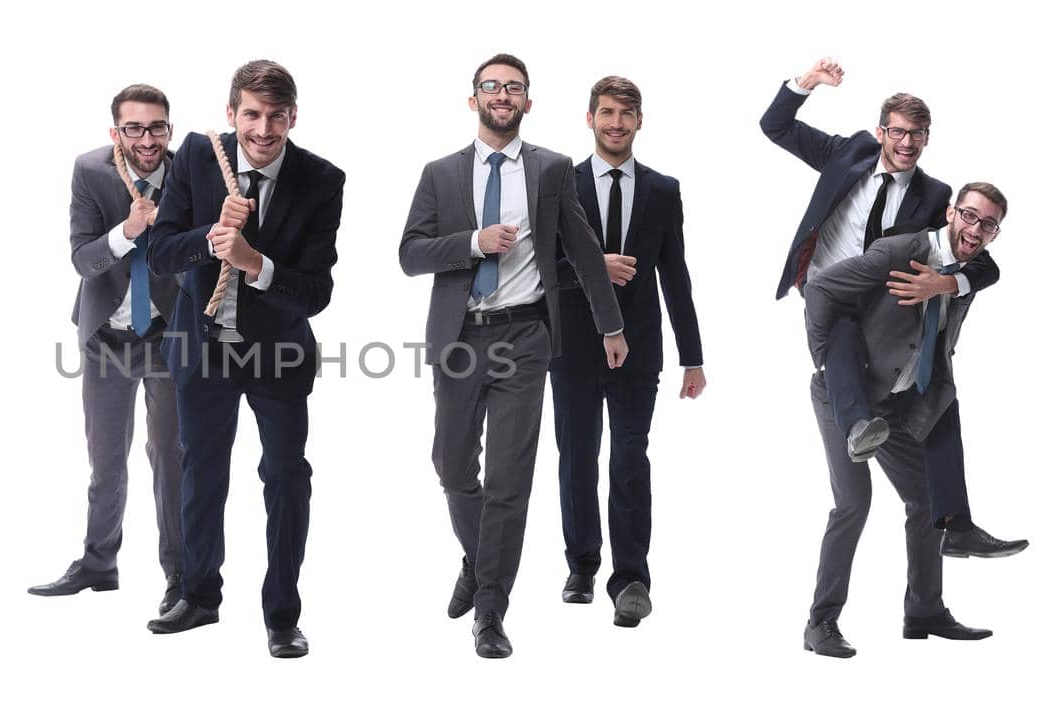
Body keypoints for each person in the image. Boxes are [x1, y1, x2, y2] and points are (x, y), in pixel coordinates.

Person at [399, 53, 626, 658]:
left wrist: (611, 327)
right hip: (458, 338)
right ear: (473, 99)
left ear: (528, 101)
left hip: (526, 336)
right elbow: (410, 254)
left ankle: (491, 610)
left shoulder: (552, 169)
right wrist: (473, 242)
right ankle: (479, 558)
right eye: (492, 86)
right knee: (451, 464)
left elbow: (582, 249)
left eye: (515, 87)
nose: (504, 94)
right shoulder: (440, 173)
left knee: (509, 477)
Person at [141, 60, 343, 659]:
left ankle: (283, 615)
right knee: (201, 468)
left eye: (275, 116)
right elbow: (158, 253)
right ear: (232, 114)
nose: (262, 129)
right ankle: (199, 595)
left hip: (277, 349)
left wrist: (257, 264)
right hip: (202, 346)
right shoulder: (199, 160)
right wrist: (210, 235)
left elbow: (317, 291)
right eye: (251, 114)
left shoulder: (322, 179)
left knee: (284, 475)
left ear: (293, 118)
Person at [801, 183, 1026, 659]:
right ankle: (821, 622)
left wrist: (948, 282)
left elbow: (987, 273)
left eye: (988, 224)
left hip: (898, 401)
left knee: (926, 500)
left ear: (995, 233)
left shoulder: (970, 267)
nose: (975, 229)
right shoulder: (901, 251)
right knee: (853, 504)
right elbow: (820, 288)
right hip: (847, 397)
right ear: (951, 212)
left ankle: (924, 610)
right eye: (969, 216)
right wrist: (825, 356)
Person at [760, 56, 997, 461]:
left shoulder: (936, 195)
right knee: (841, 334)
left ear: (927, 138)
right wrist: (808, 81)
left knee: (860, 349)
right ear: (880, 132)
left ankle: (873, 434)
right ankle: (856, 428)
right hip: (826, 282)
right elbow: (775, 126)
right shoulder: (848, 153)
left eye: (917, 134)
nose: (907, 143)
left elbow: (982, 261)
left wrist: (945, 282)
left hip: (877, 299)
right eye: (899, 132)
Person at [550, 76, 704, 628]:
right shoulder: (557, 182)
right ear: (589, 118)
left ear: (640, 121)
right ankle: (581, 566)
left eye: (627, 113)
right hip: (572, 345)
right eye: (607, 112)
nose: (616, 123)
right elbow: (538, 268)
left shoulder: (663, 189)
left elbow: (676, 276)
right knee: (577, 457)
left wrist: (693, 356)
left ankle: (632, 576)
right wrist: (595, 269)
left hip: (640, 348)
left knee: (630, 458)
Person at [29, 84, 184, 615]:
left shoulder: (190, 172)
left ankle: (180, 578)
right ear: (115, 132)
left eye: (157, 126)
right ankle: (99, 564)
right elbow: (82, 259)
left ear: (170, 128)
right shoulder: (90, 171)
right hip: (107, 338)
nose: (147, 139)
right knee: (105, 461)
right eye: (134, 128)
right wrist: (127, 229)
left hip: (169, 336)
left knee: (171, 458)